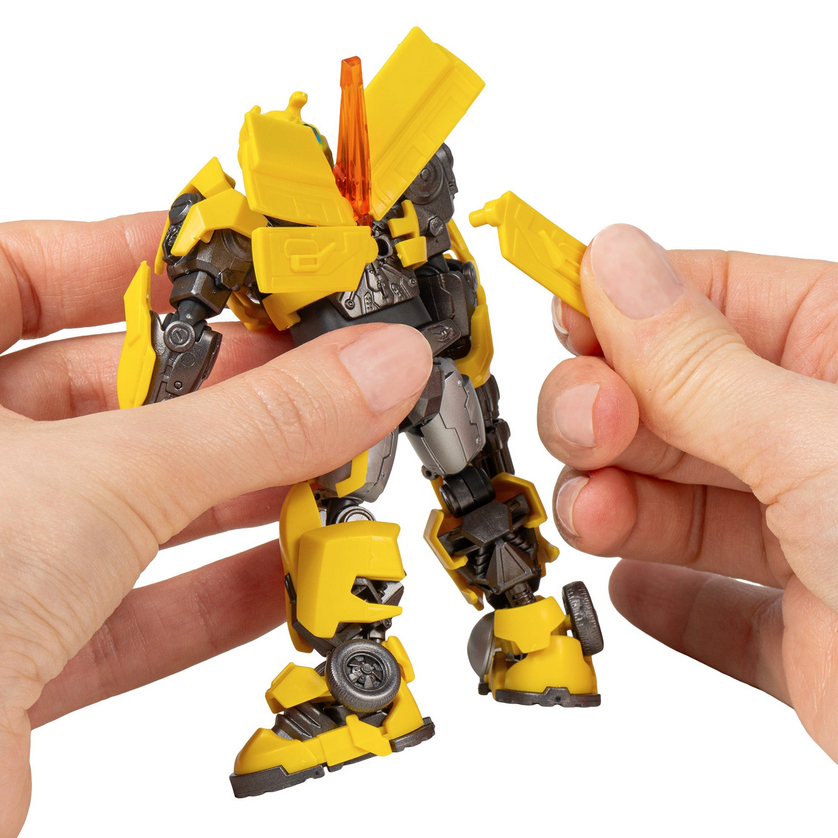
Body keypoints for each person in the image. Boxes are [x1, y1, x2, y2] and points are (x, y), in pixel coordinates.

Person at [0, 214, 835, 836]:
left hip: (422, 372)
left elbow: (451, 272)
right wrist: (176, 357)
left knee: (455, 496)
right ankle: (440, 671)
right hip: (379, 383)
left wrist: (470, 359)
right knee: (369, 508)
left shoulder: (395, 199)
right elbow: (198, 290)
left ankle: (469, 662)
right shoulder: (257, 207)